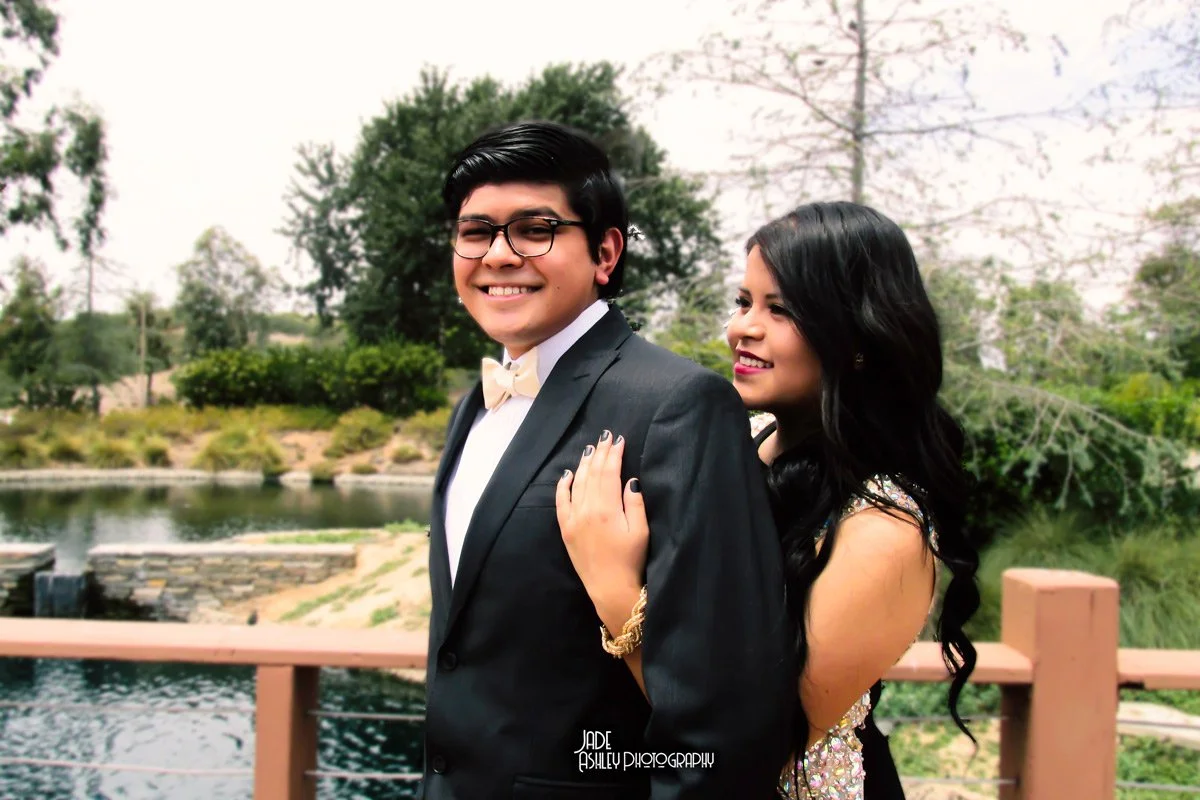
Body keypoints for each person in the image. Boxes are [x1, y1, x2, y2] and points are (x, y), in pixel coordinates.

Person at [420, 120, 796, 799]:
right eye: (476, 232)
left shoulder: (678, 404)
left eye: (535, 229)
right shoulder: (471, 408)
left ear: (605, 252)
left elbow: (725, 707)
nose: (499, 255)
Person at [557, 201, 980, 798]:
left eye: (779, 309)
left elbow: (755, 739)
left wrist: (616, 592)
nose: (740, 329)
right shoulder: (745, 445)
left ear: (859, 336)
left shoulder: (885, 529)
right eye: (744, 302)